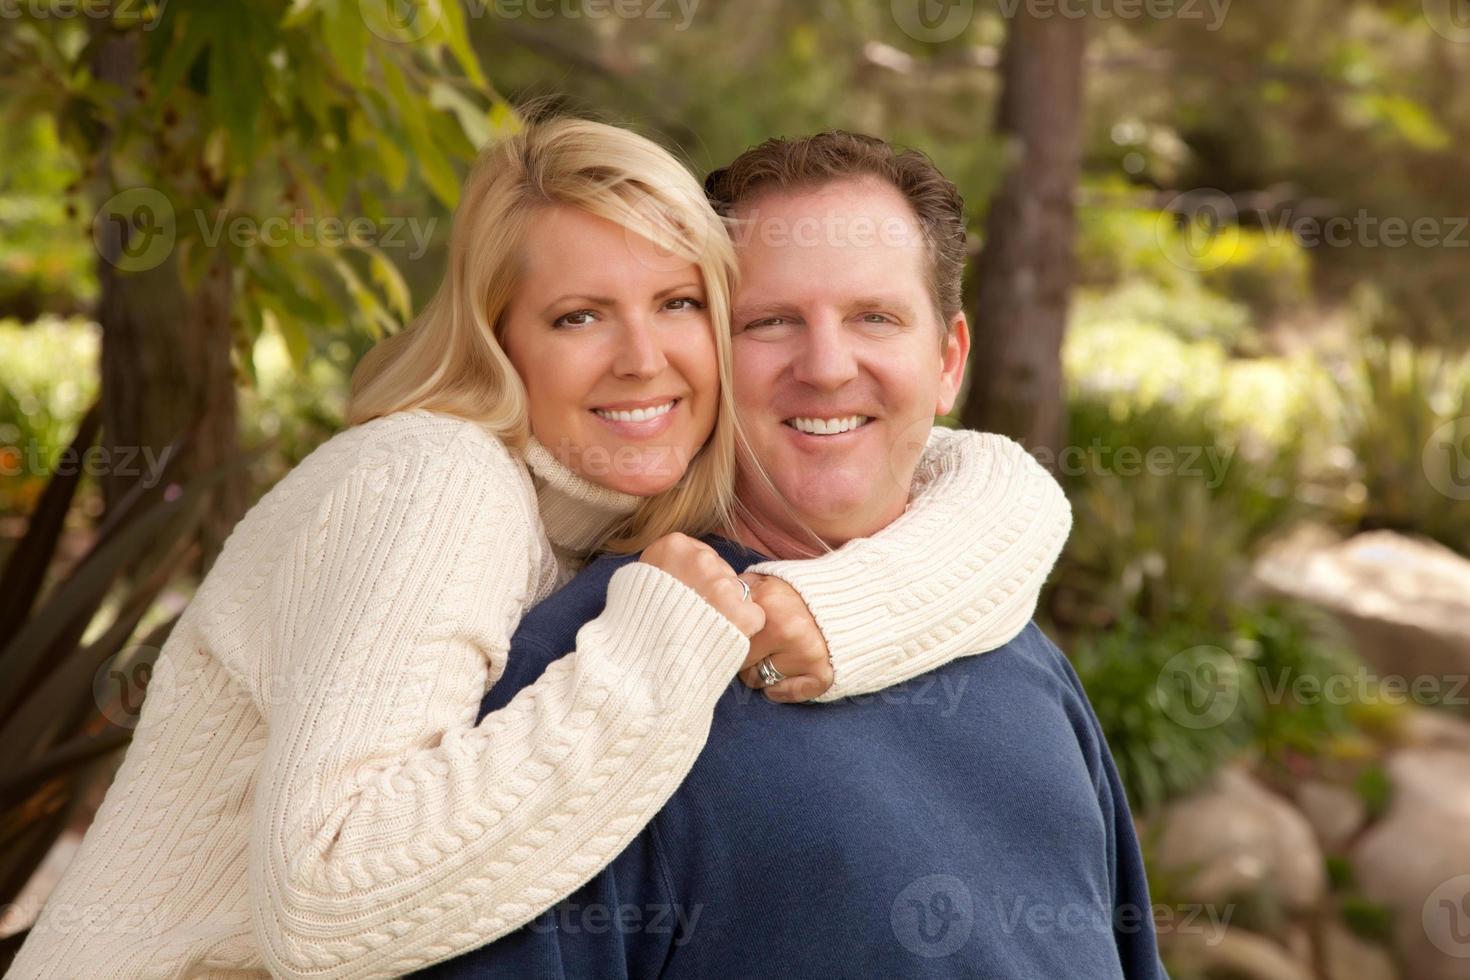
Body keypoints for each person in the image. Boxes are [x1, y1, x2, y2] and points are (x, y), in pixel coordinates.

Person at [9, 121, 1071, 979]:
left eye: (678, 303)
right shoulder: (436, 479)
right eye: (577, 316)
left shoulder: (597, 501)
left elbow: (989, 480)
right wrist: (659, 650)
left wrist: (848, 610)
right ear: (497, 335)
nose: (642, 357)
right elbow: (325, 903)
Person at [418, 132, 1165, 979]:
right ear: (705, 357)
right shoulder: (590, 678)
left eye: (874, 318)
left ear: (949, 360)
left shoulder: (1012, 651)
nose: (827, 365)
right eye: (770, 323)